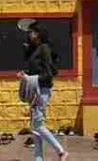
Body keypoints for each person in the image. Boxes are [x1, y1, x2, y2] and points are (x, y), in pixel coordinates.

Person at [20, 21, 68, 161]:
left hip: (42, 90)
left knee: (39, 125)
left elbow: (48, 72)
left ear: (38, 33)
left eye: (31, 32)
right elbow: (35, 69)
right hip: (36, 90)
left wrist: (31, 79)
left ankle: (60, 151)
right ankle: (38, 158)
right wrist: (26, 75)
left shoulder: (45, 48)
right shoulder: (35, 49)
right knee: (35, 127)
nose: (29, 34)